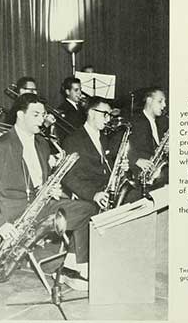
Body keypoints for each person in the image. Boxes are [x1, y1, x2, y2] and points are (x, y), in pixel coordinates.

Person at [0, 93, 95, 291]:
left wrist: (51, 187)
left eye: (43, 115)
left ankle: (72, 268)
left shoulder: (41, 144)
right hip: (14, 213)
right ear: (20, 115)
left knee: (88, 210)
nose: (42, 120)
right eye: (36, 115)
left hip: (41, 206)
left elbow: (40, 180)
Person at [61, 96, 124, 281]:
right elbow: (69, 176)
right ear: (90, 113)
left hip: (103, 188)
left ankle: (71, 264)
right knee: (92, 210)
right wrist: (93, 194)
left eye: (109, 115)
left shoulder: (104, 137)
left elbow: (106, 166)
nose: (108, 118)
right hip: (85, 193)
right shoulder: (74, 139)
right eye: (104, 114)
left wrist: (120, 168)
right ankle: (81, 264)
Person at [128, 87, 168, 182]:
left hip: (156, 176)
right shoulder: (133, 121)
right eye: (160, 101)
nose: (164, 105)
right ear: (149, 100)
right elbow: (115, 146)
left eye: (164, 102)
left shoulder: (162, 123)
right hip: (138, 176)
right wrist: (136, 160)